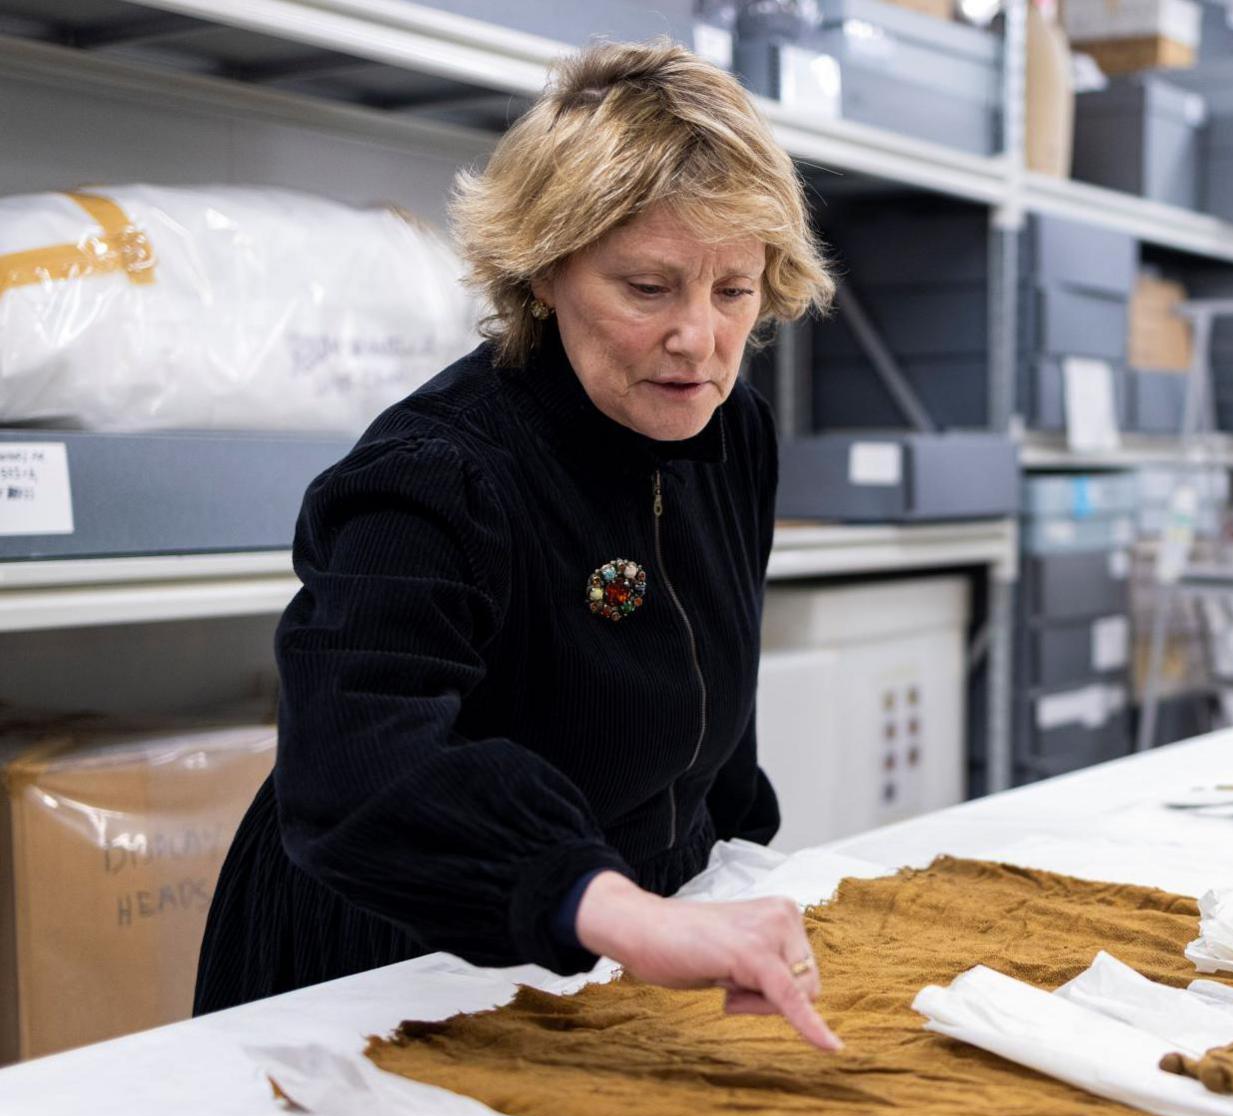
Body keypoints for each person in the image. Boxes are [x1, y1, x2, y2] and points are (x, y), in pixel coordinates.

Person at [194, 40, 842, 1052]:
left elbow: (716, 699)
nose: (699, 341)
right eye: (647, 287)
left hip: (617, 935)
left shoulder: (730, 431)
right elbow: (358, 763)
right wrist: (615, 909)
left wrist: (734, 867)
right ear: (545, 272)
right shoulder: (437, 473)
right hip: (402, 954)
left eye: (734, 291)